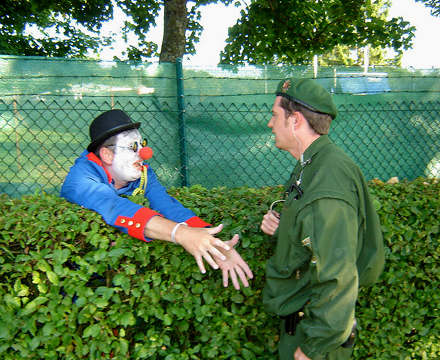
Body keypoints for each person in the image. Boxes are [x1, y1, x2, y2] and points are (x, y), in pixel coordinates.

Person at [260, 78, 385, 359]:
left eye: (275, 115)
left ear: (295, 120)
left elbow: (338, 274)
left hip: (316, 340)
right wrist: (282, 228)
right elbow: (312, 237)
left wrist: (313, 347)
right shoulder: (312, 165)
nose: (270, 124)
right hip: (304, 325)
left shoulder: (328, 179)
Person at [61, 109, 253, 290]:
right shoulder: (80, 180)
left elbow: (165, 205)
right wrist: (181, 234)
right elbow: (115, 207)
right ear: (106, 155)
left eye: (142, 144)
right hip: (81, 275)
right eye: (132, 147)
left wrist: (210, 239)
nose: (144, 153)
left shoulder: (143, 173)